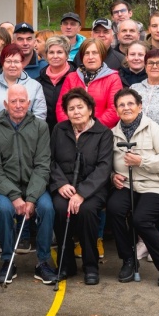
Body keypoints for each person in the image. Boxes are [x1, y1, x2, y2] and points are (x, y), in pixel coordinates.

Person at [0, 84, 58, 285]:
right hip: (5, 186)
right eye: (14, 101)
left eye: (22, 101)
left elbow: (43, 165)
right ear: (6, 104)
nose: (18, 105)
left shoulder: (41, 127)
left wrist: (32, 198)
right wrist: (15, 197)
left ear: (29, 103)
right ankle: (8, 261)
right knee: (3, 209)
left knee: (47, 208)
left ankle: (43, 262)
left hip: (33, 184)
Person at [109, 87, 159, 286]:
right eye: (121, 105)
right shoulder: (113, 135)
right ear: (116, 110)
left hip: (158, 184)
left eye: (131, 103)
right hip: (128, 184)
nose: (126, 108)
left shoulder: (155, 129)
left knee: (141, 219)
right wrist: (113, 176)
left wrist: (142, 161)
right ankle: (128, 260)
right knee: (114, 209)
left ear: (140, 107)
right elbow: (108, 165)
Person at [49, 87, 113, 285]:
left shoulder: (103, 133)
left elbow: (104, 167)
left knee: (86, 212)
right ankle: (65, 264)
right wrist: (61, 184)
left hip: (92, 188)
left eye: (80, 107)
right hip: (65, 186)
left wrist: (82, 193)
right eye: (71, 108)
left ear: (90, 110)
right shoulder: (59, 129)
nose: (76, 112)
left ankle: (90, 265)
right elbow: (50, 161)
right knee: (59, 208)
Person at [58, 38, 122, 129]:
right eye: (86, 53)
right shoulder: (71, 77)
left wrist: (92, 127)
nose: (90, 57)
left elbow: (114, 108)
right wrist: (72, 127)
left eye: (95, 53)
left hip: (101, 133)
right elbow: (61, 107)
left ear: (102, 55)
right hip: (72, 132)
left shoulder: (113, 78)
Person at [0, 43, 47, 125]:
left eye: (16, 61)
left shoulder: (35, 86)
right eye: (8, 61)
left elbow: (40, 115)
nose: (12, 65)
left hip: (27, 136)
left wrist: (28, 134)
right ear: (2, 63)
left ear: (23, 64)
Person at [37, 36, 74, 131]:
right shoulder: (38, 82)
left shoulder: (76, 78)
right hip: (44, 133)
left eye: (59, 52)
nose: (55, 56)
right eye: (51, 52)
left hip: (70, 131)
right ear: (46, 55)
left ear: (67, 55)